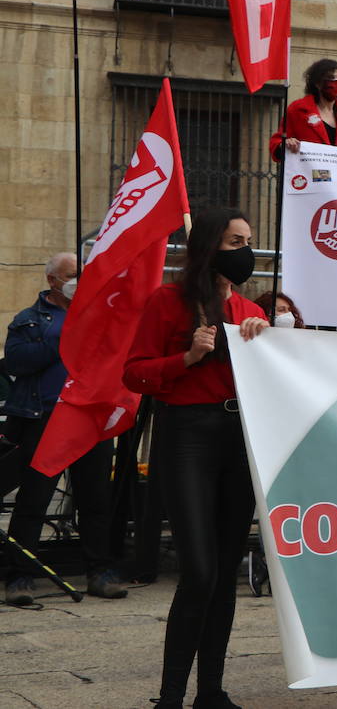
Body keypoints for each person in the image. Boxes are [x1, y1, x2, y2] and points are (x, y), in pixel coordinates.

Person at [123, 208, 272, 709]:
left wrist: (270, 342)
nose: (245, 250)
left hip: (238, 437)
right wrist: (186, 358)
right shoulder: (167, 302)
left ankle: (211, 690)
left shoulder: (252, 313)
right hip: (187, 434)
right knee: (200, 572)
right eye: (235, 241)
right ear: (210, 245)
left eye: (249, 240)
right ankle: (170, 697)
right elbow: (134, 373)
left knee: (225, 568)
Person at [2, 252, 125, 605]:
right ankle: (20, 575)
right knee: (34, 500)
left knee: (95, 500)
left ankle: (100, 571)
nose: (79, 282)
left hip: (91, 419)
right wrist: (65, 337)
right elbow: (16, 362)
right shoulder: (31, 319)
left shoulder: (101, 315)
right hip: (46, 419)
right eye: (72, 276)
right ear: (53, 281)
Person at [270, 58, 337, 161]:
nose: (336, 83)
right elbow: (276, 143)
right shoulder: (297, 110)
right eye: (331, 78)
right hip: (308, 174)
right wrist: (285, 144)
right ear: (317, 82)